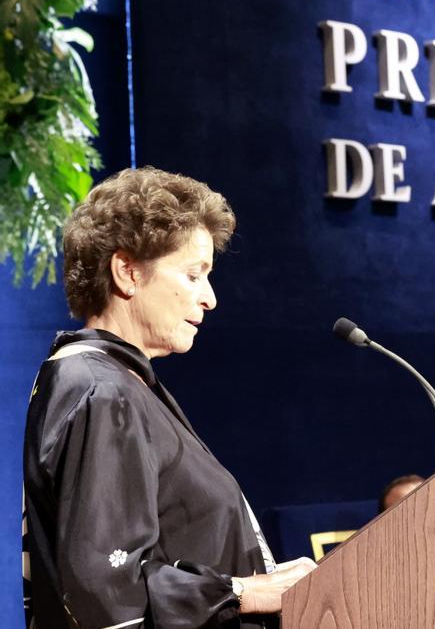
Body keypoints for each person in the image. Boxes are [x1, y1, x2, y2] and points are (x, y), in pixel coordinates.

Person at [22, 167, 317, 629]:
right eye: (194, 274)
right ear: (128, 272)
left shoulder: (117, 381)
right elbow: (106, 594)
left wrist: (261, 579)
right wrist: (242, 592)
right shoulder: (103, 390)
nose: (210, 298)